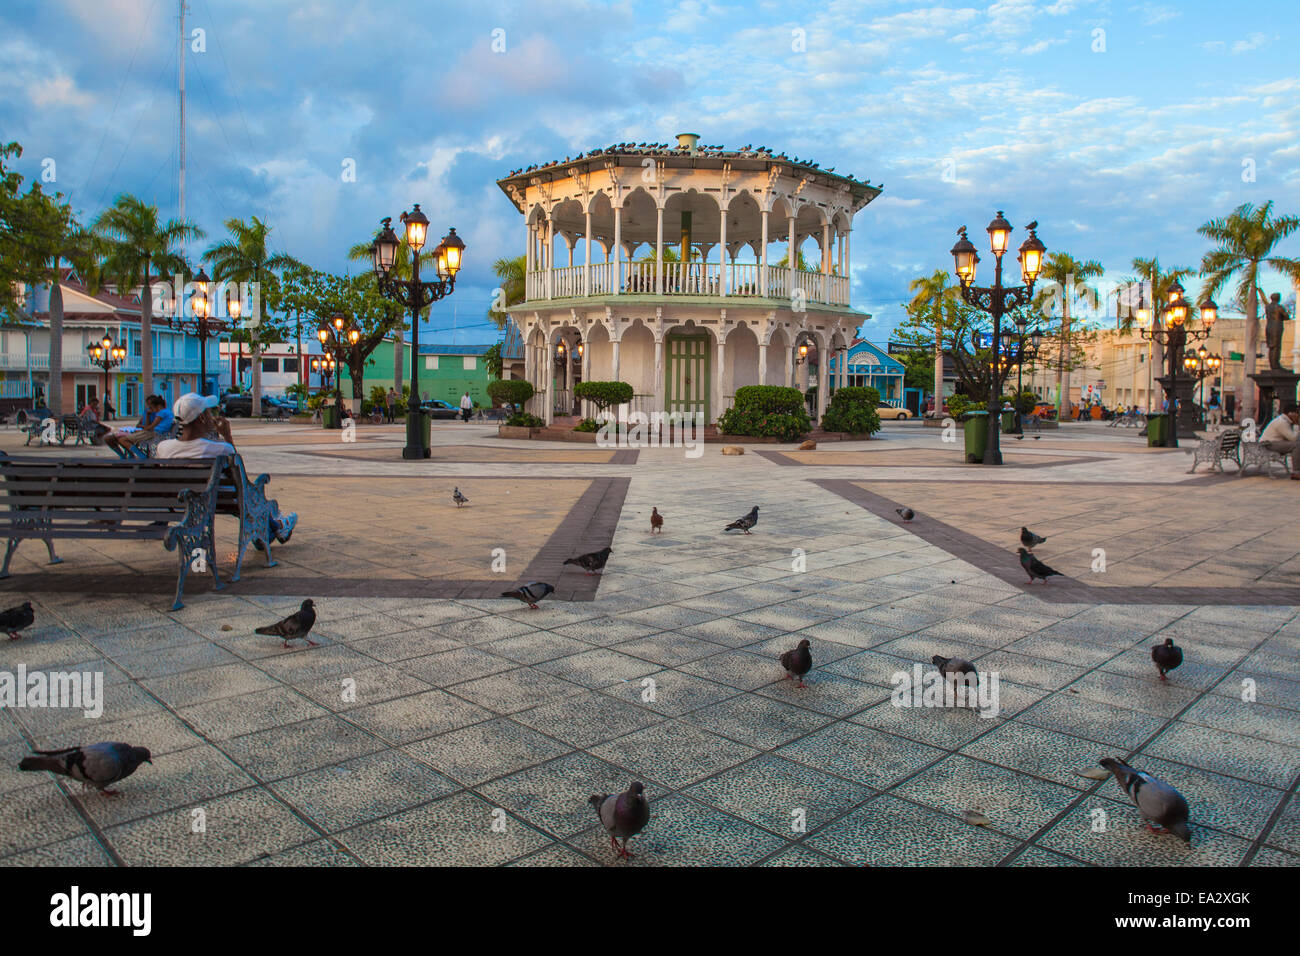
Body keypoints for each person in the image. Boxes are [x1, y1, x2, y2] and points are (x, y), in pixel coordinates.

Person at [157, 393, 298, 538]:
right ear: (202, 418)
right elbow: (240, 479)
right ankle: (278, 526)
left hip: (180, 501)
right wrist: (227, 436)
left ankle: (275, 528)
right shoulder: (221, 449)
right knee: (252, 496)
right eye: (208, 412)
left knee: (250, 500)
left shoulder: (163, 448)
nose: (212, 415)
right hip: (222, 500)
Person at [105, 394, 173, 459]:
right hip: (155, 433)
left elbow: (151, 426)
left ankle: (142, 456)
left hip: (154, 433)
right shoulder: (167, 412)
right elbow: (146, 425)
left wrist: (143, 429)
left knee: (123, 440)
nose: (149, 408)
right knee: (118, 438)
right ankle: (137, 455)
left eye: (151, 406)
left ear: (157, 405)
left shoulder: (161, 413)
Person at [1259, 403, 1300, 480]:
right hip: (1269, 444)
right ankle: (1296, 472)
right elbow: (1293, 438)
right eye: (1297, 413)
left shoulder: (1284, 420)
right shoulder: (1282, 422)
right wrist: (1297, 424)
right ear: (1291, 413)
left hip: (1274, 442)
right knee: (1297, 445)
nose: (1298, 415)